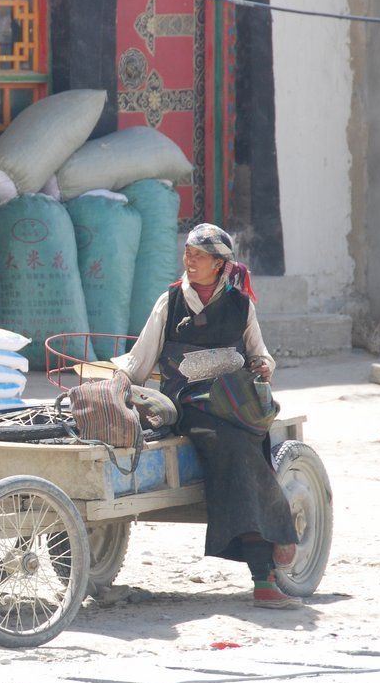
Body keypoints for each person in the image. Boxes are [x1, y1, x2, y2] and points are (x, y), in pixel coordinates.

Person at [113, 223, 302, 608]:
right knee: (234, 444)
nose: (189, 260)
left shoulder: (240, 304)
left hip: (234, 400)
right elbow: (139, 359)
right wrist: (118, 387)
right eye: (187, 252)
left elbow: (261, 354)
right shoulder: (170, 302)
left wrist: (263, 366)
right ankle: (263, 574)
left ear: (219, 264)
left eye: (198, 255)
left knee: (252, 435)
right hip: (190, 403)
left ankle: (274, 540)